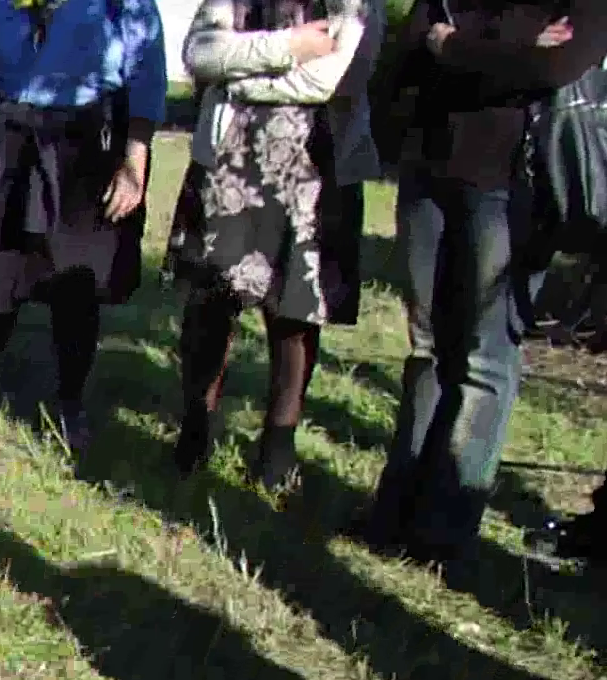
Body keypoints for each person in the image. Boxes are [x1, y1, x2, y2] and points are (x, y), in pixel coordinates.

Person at [361, 2, 607, 567]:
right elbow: (405, 53)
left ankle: (443, 531)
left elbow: (554, 67)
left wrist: (453, 46)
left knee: (483, 358)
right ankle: (396, 511)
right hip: (430, 171)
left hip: (514, 189)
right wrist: (507, 48)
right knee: (426, 349)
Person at [166, 0, 382, 491]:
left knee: (295, 314)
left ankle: (276, 449)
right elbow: (199, 56)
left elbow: (325, 80)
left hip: (312, 170)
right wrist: (288, 47)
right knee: (209, 303)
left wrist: (235, 74)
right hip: (227, 163)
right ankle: (195, 429)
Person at [0, 0, 166, 450]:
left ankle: (70, 399)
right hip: (3, 138)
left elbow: (146, 70)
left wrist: (134, 161)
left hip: (85, 147)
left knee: (77, 278)